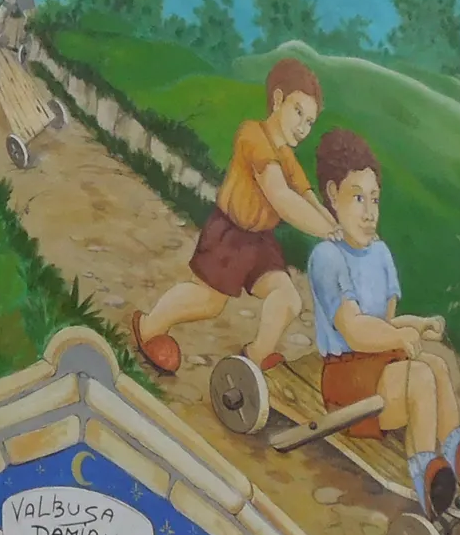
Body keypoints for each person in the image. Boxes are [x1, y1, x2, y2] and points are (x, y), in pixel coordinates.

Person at [132, 56, 337, 375]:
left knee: (287, 299)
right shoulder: (252, 136)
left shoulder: (286, 155)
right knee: (209, 301)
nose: (303, 126)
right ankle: (149, 327)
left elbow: (307, 196)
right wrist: (327, 233)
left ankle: (254, 358)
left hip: (260, 241)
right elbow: (281, 198)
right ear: (278, 99)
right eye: (298, 112)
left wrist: (337, 227)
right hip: (230, 233)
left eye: (310, 121)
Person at [305, 128, 460, 505]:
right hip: (349, 377)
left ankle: (458, 452)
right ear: (332, 195)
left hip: (382, 365)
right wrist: (397, 339)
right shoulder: (328, 258)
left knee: (438, 368)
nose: (369, 213)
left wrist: (418, 325)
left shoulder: (380, 253)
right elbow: (355, 331)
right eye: (358, 198)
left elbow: (384, 324)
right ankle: (427, 476)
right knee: (419, 378)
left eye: (375, 200)